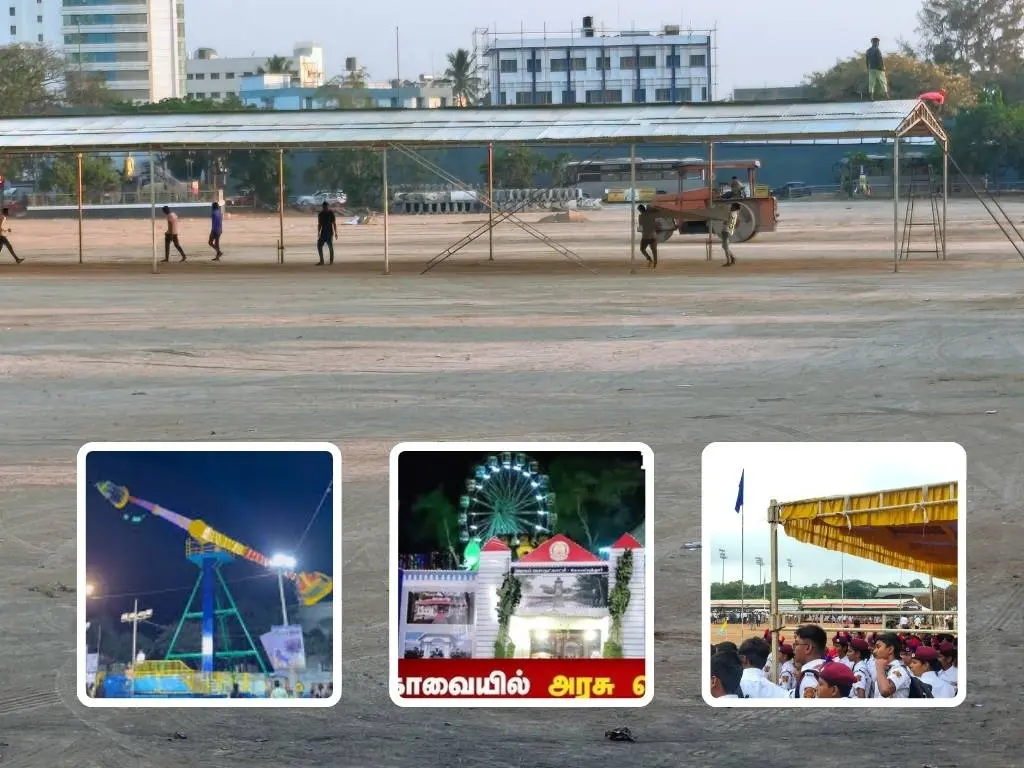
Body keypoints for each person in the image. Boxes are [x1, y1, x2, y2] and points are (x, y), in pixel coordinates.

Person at [792, 624, 828, 698]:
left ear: (808, 648)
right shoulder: (826, 666)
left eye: (796, 644)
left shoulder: (809, 678)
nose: (794, 648)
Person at [873, 632, 911, 698]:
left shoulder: (900, 670)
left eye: (878, 647)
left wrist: (879, 668)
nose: (874, 651)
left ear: (890, 649)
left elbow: (885, 691)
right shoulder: (886, 668)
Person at [636, 204, 658, 269]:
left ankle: (649, 259)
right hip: (653, 235)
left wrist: (639, 229)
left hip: (646, 236)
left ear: (640, 210)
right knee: (654, 250)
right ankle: (655, 264)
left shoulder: (641, 216)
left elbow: (641, 227)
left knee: (642, 249)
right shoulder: (651, 215)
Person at [720, 202, 740, 267]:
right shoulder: (736, 213)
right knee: (724, 246)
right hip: (729, 230)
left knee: (725, 246)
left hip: (726, 230)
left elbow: (727, 221)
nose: (731, 207)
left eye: (732, 206)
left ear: (734, 207)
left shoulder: (731, 213)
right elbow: (735, 223)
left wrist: (725, 222)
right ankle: (732, 258)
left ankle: (729, 261)